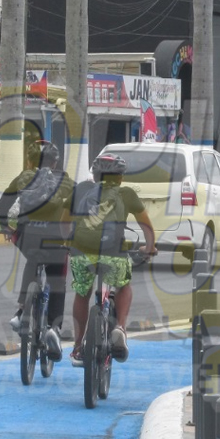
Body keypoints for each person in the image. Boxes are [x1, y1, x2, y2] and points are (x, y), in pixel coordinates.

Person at [65, 153, 157, 367]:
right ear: (120, 178)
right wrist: (150, 247)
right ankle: (120, 328)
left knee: (82, 294)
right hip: (113, 253)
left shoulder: (80, 191)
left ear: (95, 176)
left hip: (82, 253)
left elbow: (64, 220)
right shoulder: (126, 193)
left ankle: (78, 346)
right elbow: (146, 226)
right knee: (124, 285)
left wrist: (65, 241)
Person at [0, 141, 76, 362]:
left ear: (31, 161)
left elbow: (3, 206)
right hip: (57, 239)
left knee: (33, 258)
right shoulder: (66, 181)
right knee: (57, 277)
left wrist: (5, 226)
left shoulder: (23, 177)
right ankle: (54, 328)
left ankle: (21, 311)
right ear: (56, 161)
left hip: (27, 236)